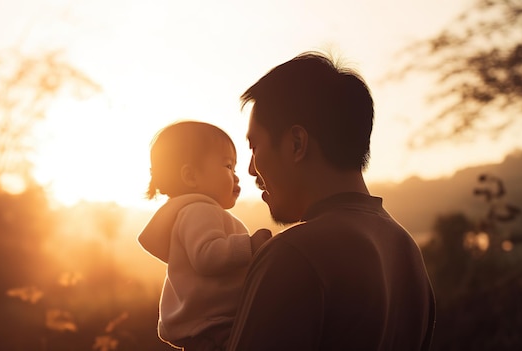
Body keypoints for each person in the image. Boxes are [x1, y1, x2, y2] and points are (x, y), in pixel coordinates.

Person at [226, 52, 436, 350]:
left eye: (255, 146)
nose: (250, 169)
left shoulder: (293, 254)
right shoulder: (405, 251)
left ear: (297, 144)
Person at [138, 121, 272, 351]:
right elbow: (206, 255)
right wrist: (250, 246)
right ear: (191, 176)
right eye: (228, 166)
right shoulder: (200, 210)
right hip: (214, 328)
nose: (236, 177)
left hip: (210, 328)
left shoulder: (196, 211)